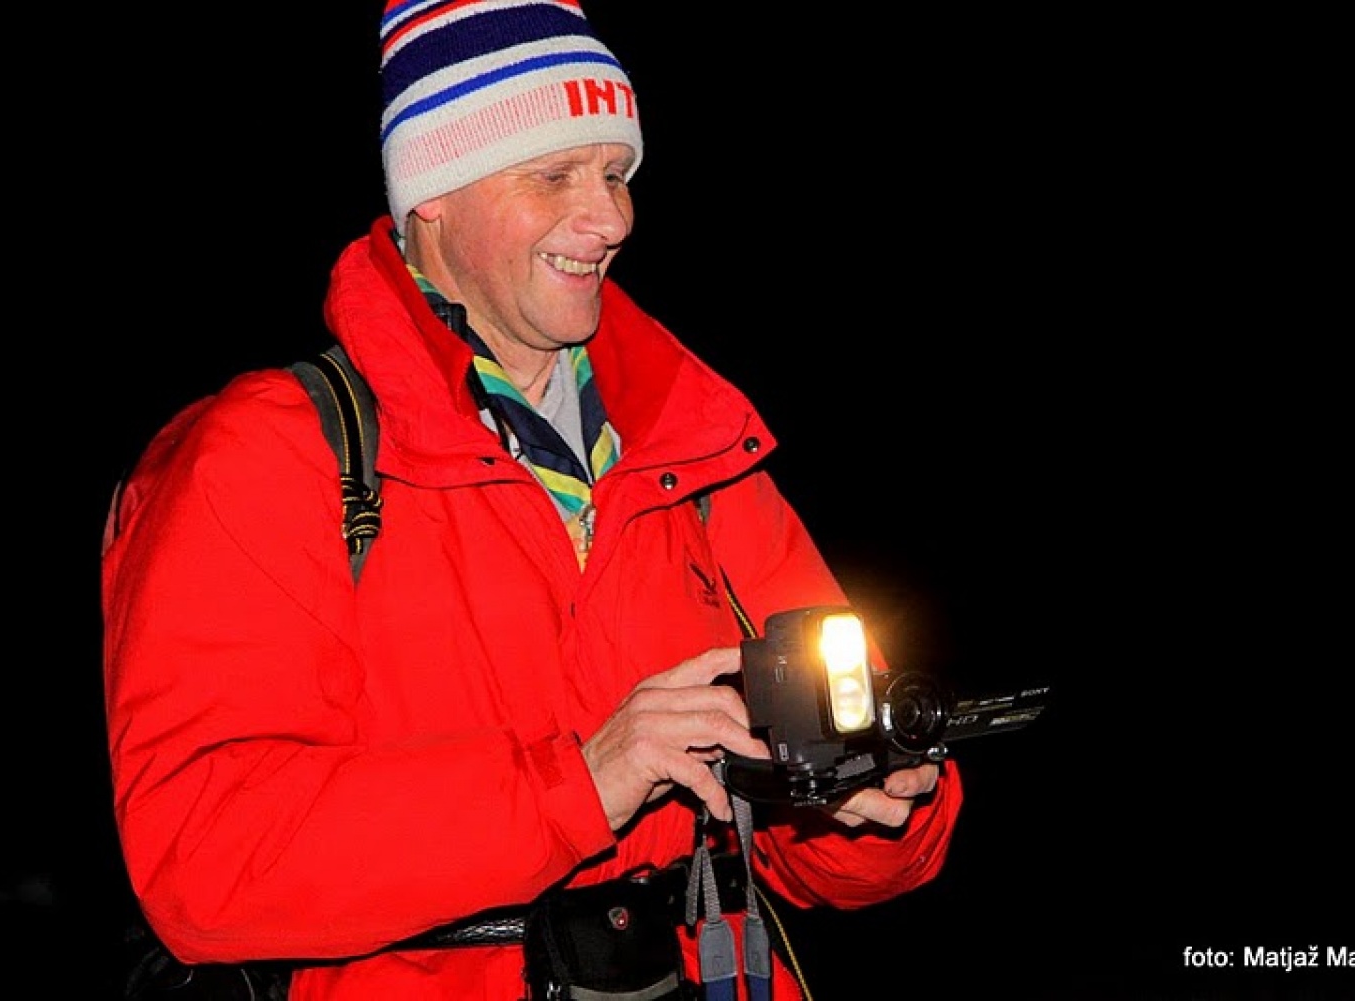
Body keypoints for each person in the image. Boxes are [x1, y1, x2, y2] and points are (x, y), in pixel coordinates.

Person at [100, 2, 963, 997]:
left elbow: (839, 854)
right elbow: (205, 860)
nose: (612, 217)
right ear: (433, 197)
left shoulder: (698, 456)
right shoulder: (271, 453)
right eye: (555, 175)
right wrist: (581, 782)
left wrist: (872, 802)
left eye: (615, 173)